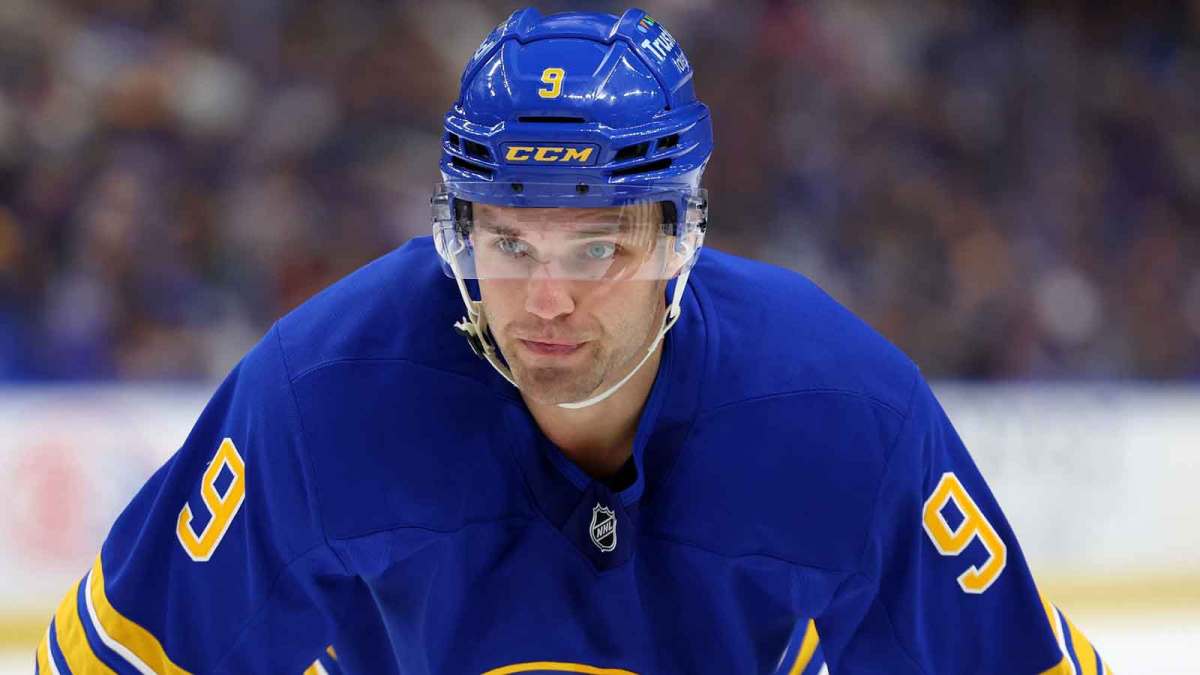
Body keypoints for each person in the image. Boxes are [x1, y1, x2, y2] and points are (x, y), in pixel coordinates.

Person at [37, 8, 1110, 674]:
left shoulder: (841, 413)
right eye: (508, 240)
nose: (544, 300)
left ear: (680, 239)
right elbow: (125, 656)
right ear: (457, 234)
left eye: (597, 247)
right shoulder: (320, 392)